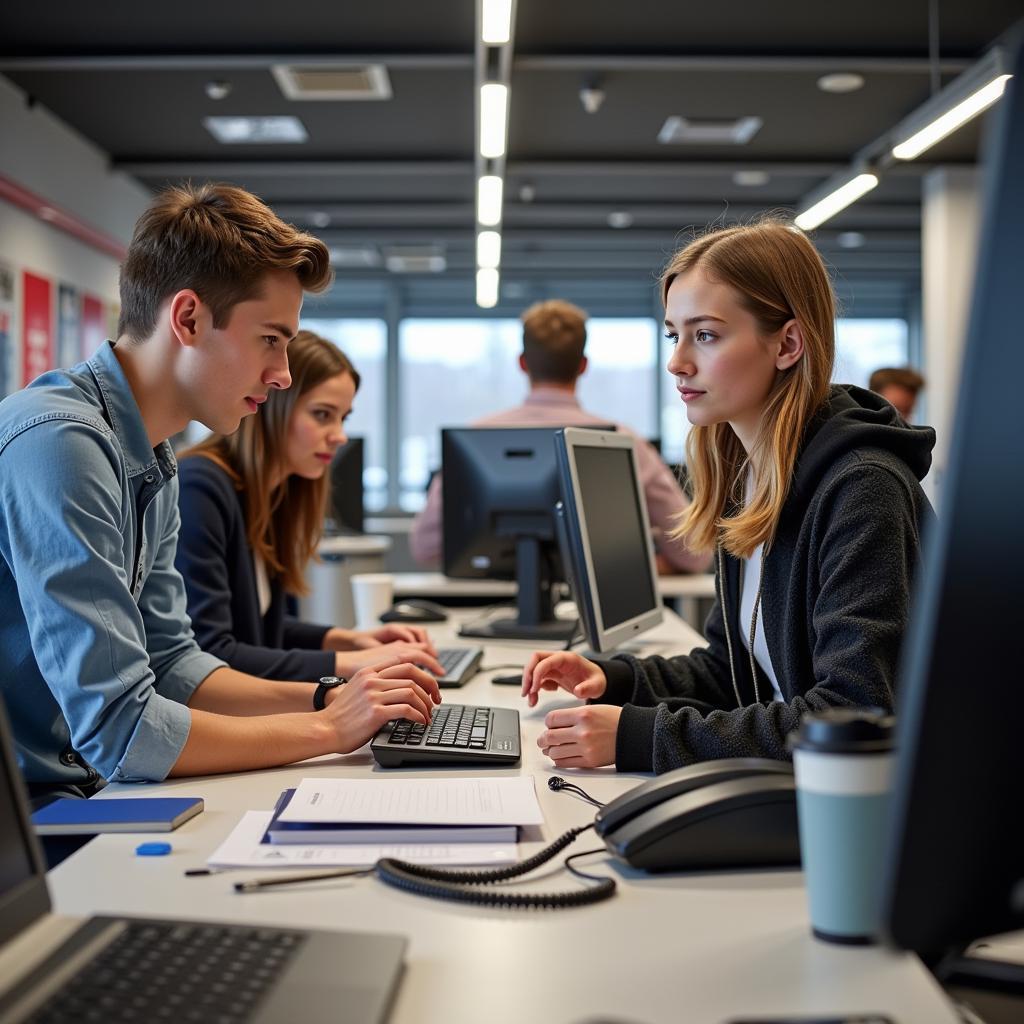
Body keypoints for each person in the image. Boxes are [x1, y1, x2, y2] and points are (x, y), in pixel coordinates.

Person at [0, 183, 440, 808]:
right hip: (31, 817)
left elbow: (176, 665)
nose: (284, 373)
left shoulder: (154, 459)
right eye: (270, 339)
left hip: (83, 791)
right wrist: (329, 728)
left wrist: (330, 696)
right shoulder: (60, 444)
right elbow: (122, 731)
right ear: (187, 319)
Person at [521, 221, 935, 773]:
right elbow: (730, 672)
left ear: (788, 343)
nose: (677, 362)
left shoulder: (862, 488)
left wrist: (640, 737)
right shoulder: (750, 480)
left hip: (875, 812)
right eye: (674, 335)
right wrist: (618, 679)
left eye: (706, 335)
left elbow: (853, 711)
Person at [175, 329, 444, 681]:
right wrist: (345, 663)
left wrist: (350, 641)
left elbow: (260, 629)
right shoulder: (200, 487)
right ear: (270, 405)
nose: (340, 435)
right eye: (322, 414)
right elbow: (211, 653)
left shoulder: (270, 494)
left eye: (343, 417)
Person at [408, 299, 709, 574]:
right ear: (583, 366)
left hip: (487, 608)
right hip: (597, 614)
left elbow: (424, 547)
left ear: (522, 363)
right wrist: (641, 567)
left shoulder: (475, 440)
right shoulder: (623, 442)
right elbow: (695, 553)